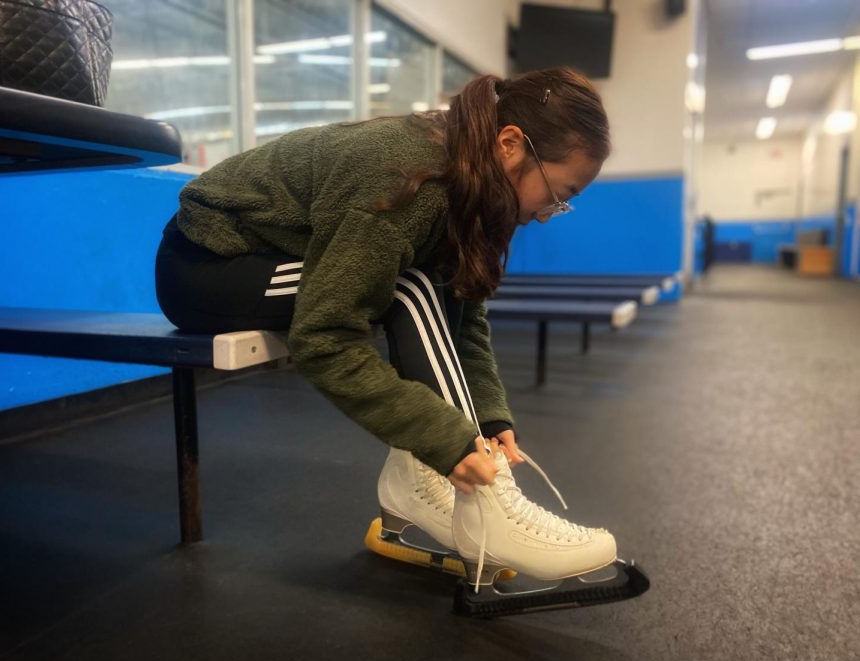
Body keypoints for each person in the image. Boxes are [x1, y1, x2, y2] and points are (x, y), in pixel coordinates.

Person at [155, 67, 617, 588]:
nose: (549, 213)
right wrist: (445, 439)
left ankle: (426, 476)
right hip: (206, 263)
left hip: (271, 256)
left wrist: (486, 417)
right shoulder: (405, 177)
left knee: (421, 285)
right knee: (404, 288)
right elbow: (324, 337)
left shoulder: (467, 174)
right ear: (511, 144)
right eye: (558, 194)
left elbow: (463, 305)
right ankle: (476, 499)